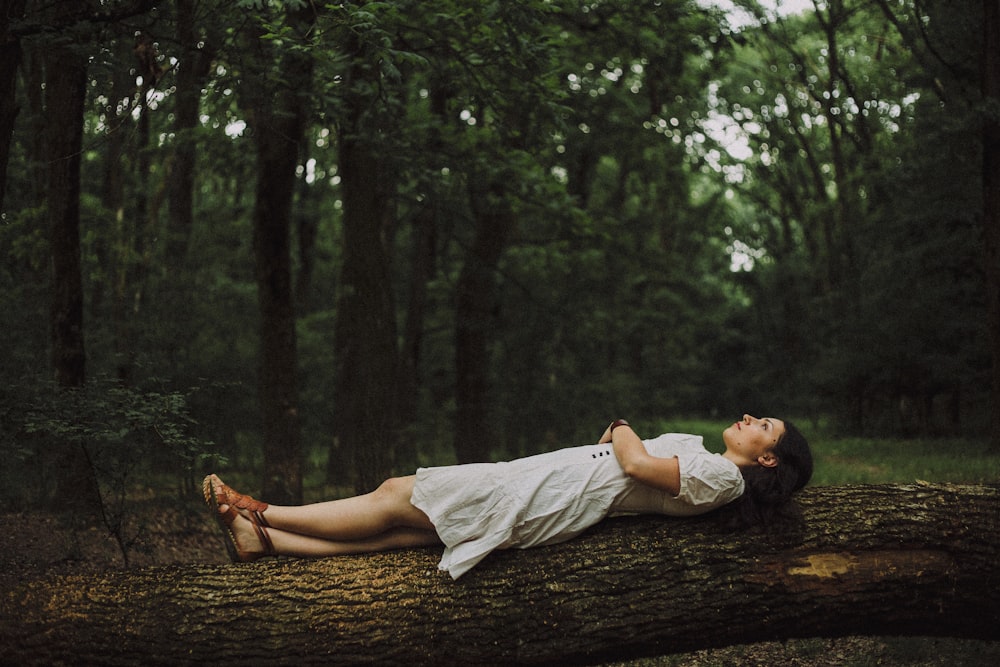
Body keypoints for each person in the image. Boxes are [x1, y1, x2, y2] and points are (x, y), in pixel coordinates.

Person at [204, 414, 812, 579]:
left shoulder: (724, 479)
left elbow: (632, 461)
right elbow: (632, 465)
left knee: (396, 495)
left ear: (767, 458)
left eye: (765, 427)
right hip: (554, 487)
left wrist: (622, 425)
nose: (751, 417)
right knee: (407, 533)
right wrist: (623, 445)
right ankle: (267, 542)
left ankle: (264, 510)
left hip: (549, 495)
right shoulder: (713, 465)